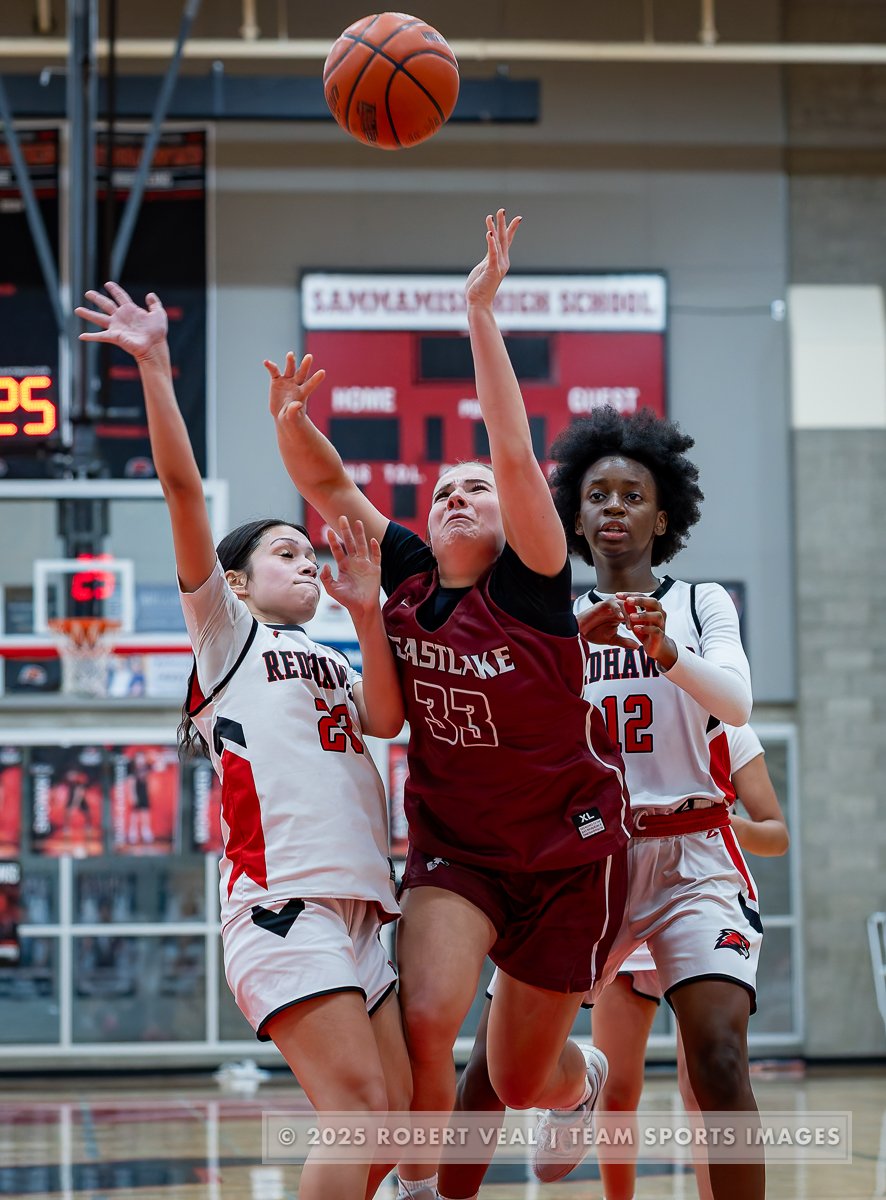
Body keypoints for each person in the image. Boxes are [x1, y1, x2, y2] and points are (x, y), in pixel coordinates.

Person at [268, 210, 631, 1200]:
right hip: (458, 849)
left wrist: (480, 313)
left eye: (477, 489)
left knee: (514, 1075)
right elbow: (330, 485)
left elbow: (513, 448)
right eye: (445, 491)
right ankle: (424, 1189)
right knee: (428, 1018)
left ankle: (577, 1082)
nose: (461, 496)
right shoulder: (411, 577)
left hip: (567, 851)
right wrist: (290, 423)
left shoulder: (534, 578)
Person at [76, 281, 412, 1200]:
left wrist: (367, 612)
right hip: (285, 903)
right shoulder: (228, 636)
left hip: (362, 911)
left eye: (312, 551)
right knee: (360, 1116)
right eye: (287, 553)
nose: (307, 559)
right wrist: (154, 366)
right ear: (236, 578)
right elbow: (182, 488)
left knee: (403, 1125)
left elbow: (389, 722)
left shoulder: (335, 656)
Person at [438, 405, 763, 1200]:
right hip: (587, 863)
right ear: (572, 518)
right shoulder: (549, 622)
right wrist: (578, 638)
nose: (613, 506)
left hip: (693, 859)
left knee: (718, 1056)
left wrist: (667, 652)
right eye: (596, 495)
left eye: (632, 493)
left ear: (663, 514)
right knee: (490, 1069)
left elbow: (739, 701)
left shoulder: (701, 603)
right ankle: (518, 1133)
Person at [592, 720, 788, 1200]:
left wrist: (726, 823)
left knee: (703, 1081)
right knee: (616, 1088)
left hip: (698, 889)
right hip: (627, 888)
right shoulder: (612, 705)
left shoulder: (729, 726)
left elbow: (776, 834)